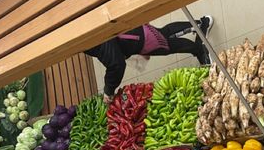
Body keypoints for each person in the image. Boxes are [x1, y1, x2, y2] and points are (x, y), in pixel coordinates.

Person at [85, 16, 213, 102]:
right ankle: (199, 24)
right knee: (164, 34)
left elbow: (115, 63)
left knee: (166, 45)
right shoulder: (83, 29)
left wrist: (109, 90)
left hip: (134, 37)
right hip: (130, 33)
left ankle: (199, 45)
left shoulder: (87, 39)